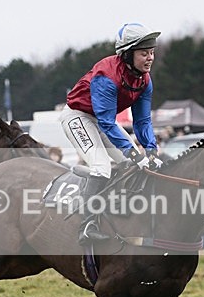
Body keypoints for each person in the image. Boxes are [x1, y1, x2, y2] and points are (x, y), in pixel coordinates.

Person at [60, 23, 162, 244]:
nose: (150, 58)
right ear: (127, 54)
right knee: (101, 166)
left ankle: (120, 214)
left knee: (137, 164)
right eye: (144, 53)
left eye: (152, 52)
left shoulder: (145, 80)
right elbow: (107, 122)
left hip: (101, 120)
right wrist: (133, 154)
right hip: (78, 116)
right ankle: (86, 226)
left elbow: (143, 121)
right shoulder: (106, 76)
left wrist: (151, 151)